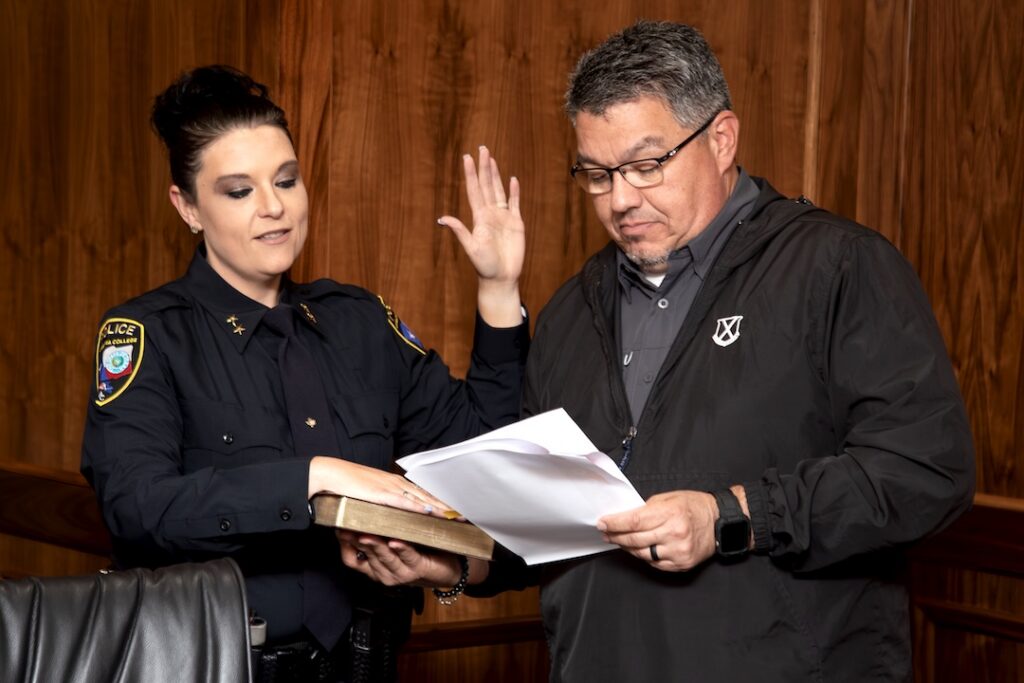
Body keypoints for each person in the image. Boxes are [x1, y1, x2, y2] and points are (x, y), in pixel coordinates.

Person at [338, 21, 976, 682]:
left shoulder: (838, 267)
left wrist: (729, 514)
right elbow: (545, 526)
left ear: (721, 139)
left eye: (646, 165)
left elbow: (927, 472)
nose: (620, 199)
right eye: (596, 174)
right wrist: (451, 563)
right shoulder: (570, 312)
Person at [80, 65, 528, 683]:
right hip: (224, 665)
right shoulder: (149, 335)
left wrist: (498, 291)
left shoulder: (361, 323)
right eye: (238, 191)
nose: (274, 208)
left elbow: (491, 462)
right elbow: (137, 505)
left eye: (286, 181)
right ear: (187, 207)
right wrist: (314, 477)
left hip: (370, 664)